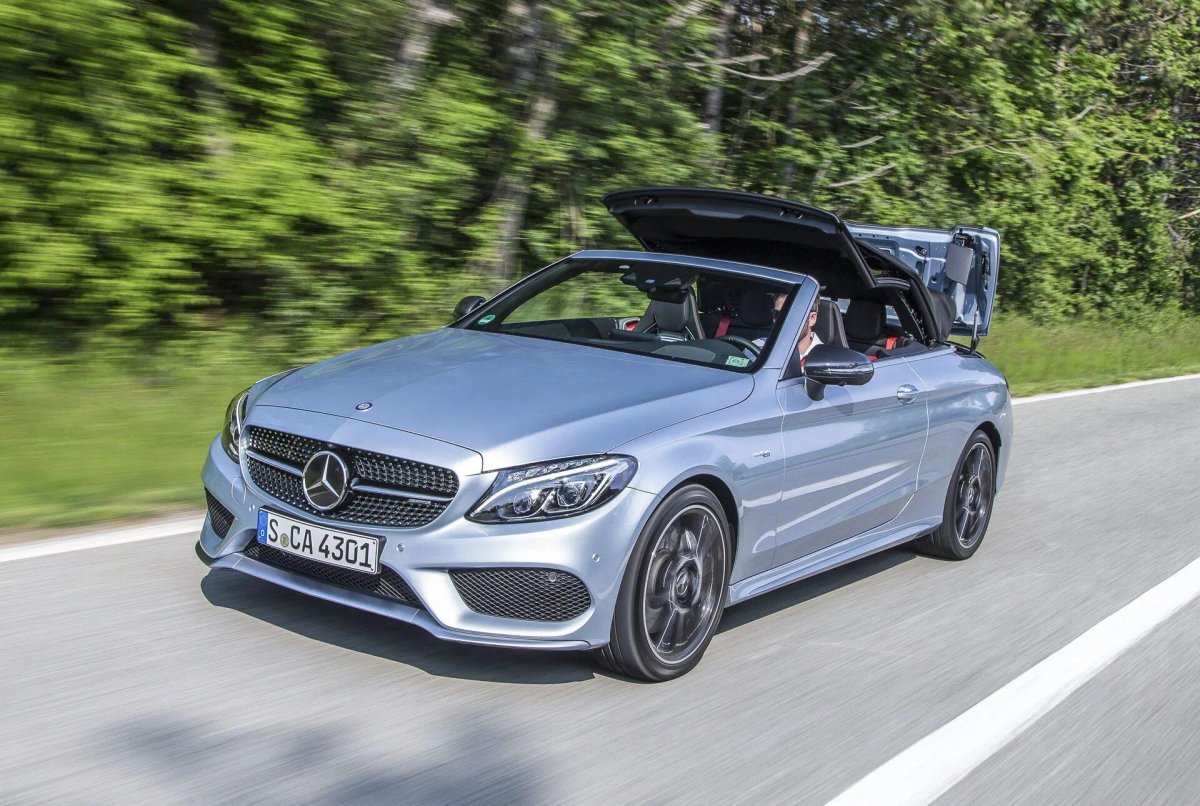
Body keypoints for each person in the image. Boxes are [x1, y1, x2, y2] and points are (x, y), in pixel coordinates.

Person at [752, 293, 822, 358]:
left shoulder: (824, 358)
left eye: (791, 315)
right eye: (777, 314)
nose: (782, 321)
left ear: (812, 319)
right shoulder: (756, 348)